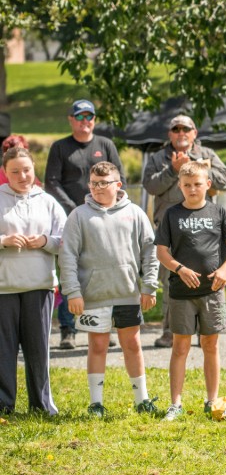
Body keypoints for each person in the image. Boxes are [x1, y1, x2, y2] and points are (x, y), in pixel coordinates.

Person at [59, 162, 160, 417]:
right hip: (92, 297)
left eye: (104, 183)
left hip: (127, 293)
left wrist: (149, 286)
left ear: (118, 185)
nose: (98, 188)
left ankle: (142, 400)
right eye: (94, 183)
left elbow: (151, 251)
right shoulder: (79, 215)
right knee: (97, 346)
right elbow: (67, 255)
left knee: (132, 344)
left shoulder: (135, 213)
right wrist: (72, 292)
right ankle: (96, 404)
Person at [155, 161, 226, 421]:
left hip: (212, 291)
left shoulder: (219, 213)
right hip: (181, 292)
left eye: (197, 184)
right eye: (187, 185)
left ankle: (212, 400)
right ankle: (175, 404)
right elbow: (161, 252)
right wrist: (179, 268)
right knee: (180, 346)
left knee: (210, 344)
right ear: (180, 186)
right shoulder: (172, 215)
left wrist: (224, 270)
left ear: (208, 185)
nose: (192, 189)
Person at [143, 115, 226, 348]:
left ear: (195, 133)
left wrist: (196, 167)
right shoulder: (158, 157)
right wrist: (172, 170)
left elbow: (224, 178)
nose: (181, 132)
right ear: (169, 133)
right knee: (172, 280)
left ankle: (206, 332)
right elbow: (150, 185)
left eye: (186, 129)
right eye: (176, 128)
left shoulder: (207, 154)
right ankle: (170, 332)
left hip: (205, 227)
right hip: (169, 228)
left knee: (206, 277)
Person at [45, 99, 126, 350]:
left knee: (105, 268)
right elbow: (52, 182)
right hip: (73, 218)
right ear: (71, 119)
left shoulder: (106, 145)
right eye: (79, 117)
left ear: (94, 119)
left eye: (89, 117)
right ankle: (68, 330)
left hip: (105, 217)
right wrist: (73, 207)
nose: (84, 121)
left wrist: (107, 204)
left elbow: (118, 177)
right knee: (71, 270)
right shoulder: (60, 147)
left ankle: (106, 324)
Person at [0, 147, 66, 416]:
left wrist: (44, 241)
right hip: (3, 287)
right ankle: (4, 405)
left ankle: (41, 405)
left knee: (38, 349)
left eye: (26, 170)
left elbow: (65, 240)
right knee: (3, 350)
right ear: (5, 173)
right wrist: (2, 241)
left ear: (34, 170)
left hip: (39, 286)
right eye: (15, 171)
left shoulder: (47, 201)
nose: (22, 175)